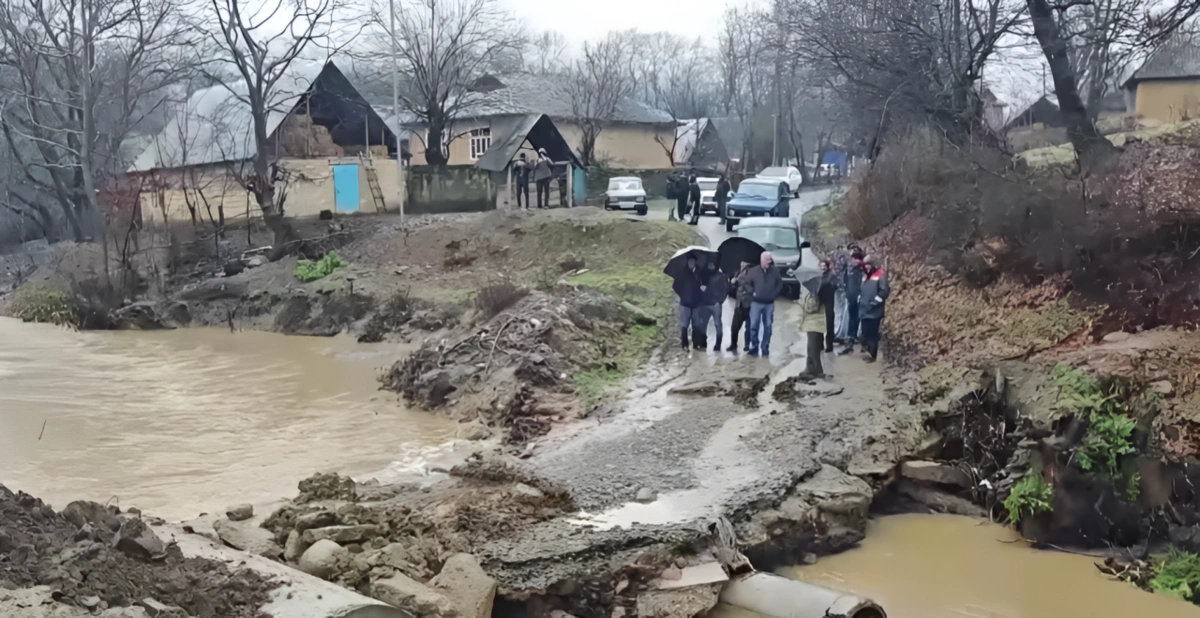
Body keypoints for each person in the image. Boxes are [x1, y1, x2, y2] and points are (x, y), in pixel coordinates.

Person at [745, 251, 783, 357]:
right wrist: (752, 292)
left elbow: (780, 284)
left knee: (768, 326)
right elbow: (746, 283)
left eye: (770, 259)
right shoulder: (753, 271)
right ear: (762, 260)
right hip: (756, 303)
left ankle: (765, 346)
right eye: (767, 259)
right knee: (753, 325)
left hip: (769, 303)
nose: (769, 261)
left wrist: (774, 294)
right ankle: (754, 346)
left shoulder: (775, 271)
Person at [857, 255, 890, 362]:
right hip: (864, 309)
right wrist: (859, 297)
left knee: (872, 334)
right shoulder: (865, 275)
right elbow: (862, 288)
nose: (866, 267)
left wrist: (874, 302)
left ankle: (873, 355)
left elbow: (884, 291)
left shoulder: (880, 274)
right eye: (864, 265)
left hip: (874, 310)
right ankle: (867, 351)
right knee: (865, 333)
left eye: (868, 265)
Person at [798, 276, 828, 379]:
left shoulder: (815, 295)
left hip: (814, 325)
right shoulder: (817, 293)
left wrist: (805, 303)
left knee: (812, 350)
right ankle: (814, 369)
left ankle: (815, 371)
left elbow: (811, 308)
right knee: (813, 349)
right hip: (815, 325)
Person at [839, 247, 866, 355]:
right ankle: (850, 339)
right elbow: (845, 282)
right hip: (851, 298)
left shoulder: (863, 271)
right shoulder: (849, 270)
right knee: (852, 318)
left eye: (857, 259)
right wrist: (846, 293)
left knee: (859, 319)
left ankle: (861, 339)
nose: (855, 261)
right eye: (853, 259)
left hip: (860, 298)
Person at [675, 257, 706, 351]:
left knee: (696, 324)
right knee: (684, 324)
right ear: (687, 263)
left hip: (696, 303)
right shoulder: (683, 273)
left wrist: (702, 289)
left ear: (695, 263)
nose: (691, 263)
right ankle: (684, 344)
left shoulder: (699, 273)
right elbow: (675, 286)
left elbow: (702, 284)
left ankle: (696, 344)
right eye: (690, 262)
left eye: (693, 262)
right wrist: (683, 294)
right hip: (685, 304)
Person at [726, 260, 754, 352]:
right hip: (739, 304)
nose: (742, 264)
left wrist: (743, 282)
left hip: (749, 305)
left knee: (749, 327)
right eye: (741, 262)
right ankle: (733, 345)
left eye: (744, 262)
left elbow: (753, 289)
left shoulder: (753, 273)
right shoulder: (737, 273)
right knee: (734, 327)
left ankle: (747, 346)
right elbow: (732, 291)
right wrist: (732, 283)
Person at [702, 261, 728, 351]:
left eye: (712, 264)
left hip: (716, 305)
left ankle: (718, 345)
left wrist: (719, 301)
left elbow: (725, 291)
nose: (710, 266)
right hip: (705, 303)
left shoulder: (722, 276)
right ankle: (702, 343)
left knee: (718, 324)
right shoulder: (704, 275)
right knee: (703, 324)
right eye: (709, 264)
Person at [818, 260, 836, 352]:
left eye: (824, 266)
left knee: (829, 324)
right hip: (819, 302)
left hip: (829, 302)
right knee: (819, 324)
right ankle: (820, 344)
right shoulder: (817, 276)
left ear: (827, 266)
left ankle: (829, 345)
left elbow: (835, 286)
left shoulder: (832, 275)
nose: (822, 267)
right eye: (821, 266)